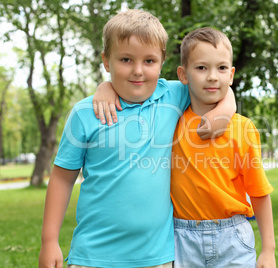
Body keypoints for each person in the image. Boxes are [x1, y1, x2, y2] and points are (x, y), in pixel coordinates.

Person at [39, 10, 235, 268]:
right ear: (106, 62)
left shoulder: (174, 95)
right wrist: (49, 240)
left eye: (149, 61)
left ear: (162, 62)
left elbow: (219, 88)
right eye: (126, 60)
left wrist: (223, 113)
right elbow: (63, 178)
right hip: (93, 256)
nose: (138, 71)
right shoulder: (86, 113)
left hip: (157, 257)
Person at [170, 27, 276, 268]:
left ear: (231, 75)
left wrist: (268, 250)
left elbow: (259, 191)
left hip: (233, 238)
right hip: (181, 238)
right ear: (183, 74)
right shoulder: (172, 123)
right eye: (201, 68)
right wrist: (106, 88)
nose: (212, 76)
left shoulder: (243, 128)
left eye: (221, 68)